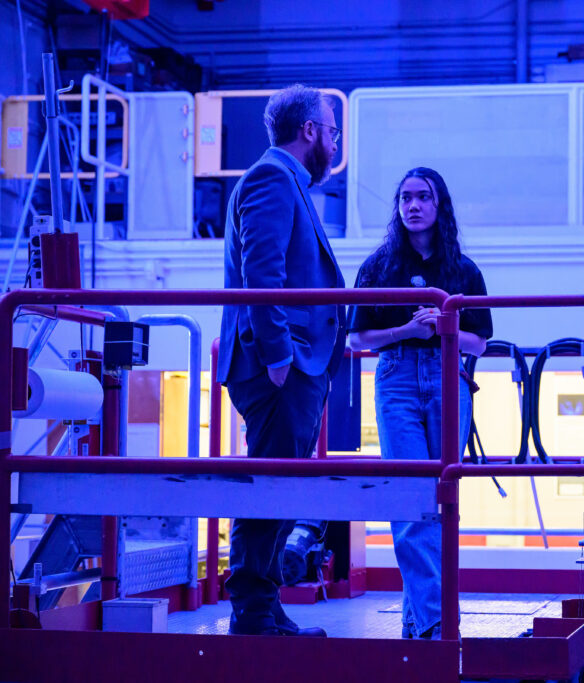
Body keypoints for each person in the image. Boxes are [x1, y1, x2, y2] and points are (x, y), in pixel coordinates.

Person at [217, 84, 346, 637]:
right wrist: (278, 358)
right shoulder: (272, 179)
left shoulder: (286, 181)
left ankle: (264, 607)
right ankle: (251, 610)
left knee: (279, 483)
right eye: (332, 130)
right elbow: (261, 276)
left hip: (289, 366)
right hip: (278, 368)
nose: (335, 143)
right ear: (310, 131)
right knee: (270, 483)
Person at [348, 167, 492, 640]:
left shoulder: (463, 270)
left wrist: (445, 325)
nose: (413, 206)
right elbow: (357, 338)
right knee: (412, 500)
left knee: (443, 497)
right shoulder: (378, 267)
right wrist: (408, 331)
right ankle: (435, 625)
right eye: (405, 198)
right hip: (397, 379)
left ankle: (420, 621)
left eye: (422, 197)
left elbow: (481, 344)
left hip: (448, 374)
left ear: (439, 206)